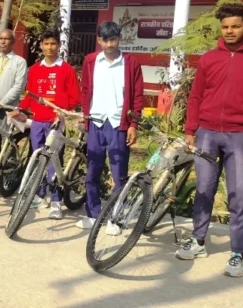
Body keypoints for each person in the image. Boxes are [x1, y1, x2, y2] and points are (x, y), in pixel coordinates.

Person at [176, 3, 243, 277]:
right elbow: (196, 96)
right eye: (225, 27)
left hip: (241, 136)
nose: (230, 31)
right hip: (207, 134)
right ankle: (198, 241)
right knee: (204, 191)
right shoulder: (209, 58)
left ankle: (237, 254)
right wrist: (190, 129)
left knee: (238, 196)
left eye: (235, 26)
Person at [78, 21, 144, 230]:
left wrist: (133, 124)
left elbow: (138, 96)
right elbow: (86, 90)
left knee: (119, 174)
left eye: (113, 39)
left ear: (119, 39)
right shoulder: (90, 61)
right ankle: (92, 213)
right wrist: (85, 115)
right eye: (105, 40)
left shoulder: (131, 63)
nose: (109, 44)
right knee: (92, 171)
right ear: (99, 40)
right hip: (96, 122)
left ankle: (116, 217)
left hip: (118, 124)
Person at [10, 29, 81, 217]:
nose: (50, 47)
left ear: (59, 46)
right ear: (41, 46)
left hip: (56, 122)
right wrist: (20, 109)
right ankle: (41, 194)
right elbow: (30, 95)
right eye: (46, 44)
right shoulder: (34, 69)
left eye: (53, 44)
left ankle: (57, 200)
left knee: (54, 161)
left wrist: (61, 110)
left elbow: (75, 97)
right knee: (39, 158)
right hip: (37, 122)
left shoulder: (67, 70)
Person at [0, 29, 27, 173]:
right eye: (0, 38)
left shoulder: (19, 62)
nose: (2, 41)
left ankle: (8, 172)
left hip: (9, 108)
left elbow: (19, 86)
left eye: (6, 39)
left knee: (9, 140)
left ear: (13, 41)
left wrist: (1, 103)